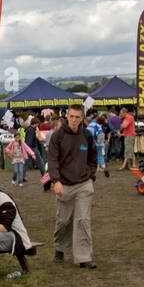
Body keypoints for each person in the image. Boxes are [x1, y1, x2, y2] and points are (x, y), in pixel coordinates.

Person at [47, 104, 97, 268]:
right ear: (67, 117)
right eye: (71, 116)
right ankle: (60, 248)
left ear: (82, 118)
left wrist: (90, 174)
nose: (74, 120)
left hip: (84, 184)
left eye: (77, 117)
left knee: (82, 220)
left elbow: (92, 156)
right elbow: (52, 160)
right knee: (63, 221)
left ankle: (84, 257)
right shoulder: (58, 136)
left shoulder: (87, 135)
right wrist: (56, 181)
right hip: (64, 185)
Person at [87, 113, 110, 178]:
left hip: (94, 143)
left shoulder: (91, 125)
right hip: (100, 143)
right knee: (100, 155)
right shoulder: (99, 126)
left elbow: (88, 134)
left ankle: (96, 168)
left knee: (93, 155)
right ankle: (103, 167)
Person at [119, 106, 137, 170]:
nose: (120, 114)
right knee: (130, 150)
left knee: (128, 151)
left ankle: (124, 165)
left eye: (121, 113)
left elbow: (124, 126)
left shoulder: (129, 118)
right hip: (128, 136)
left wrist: (121, 125)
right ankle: (133, 165)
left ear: (125, 113)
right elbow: (122, 128)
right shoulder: (126, 119)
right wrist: (122, 132)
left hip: (130, 136)